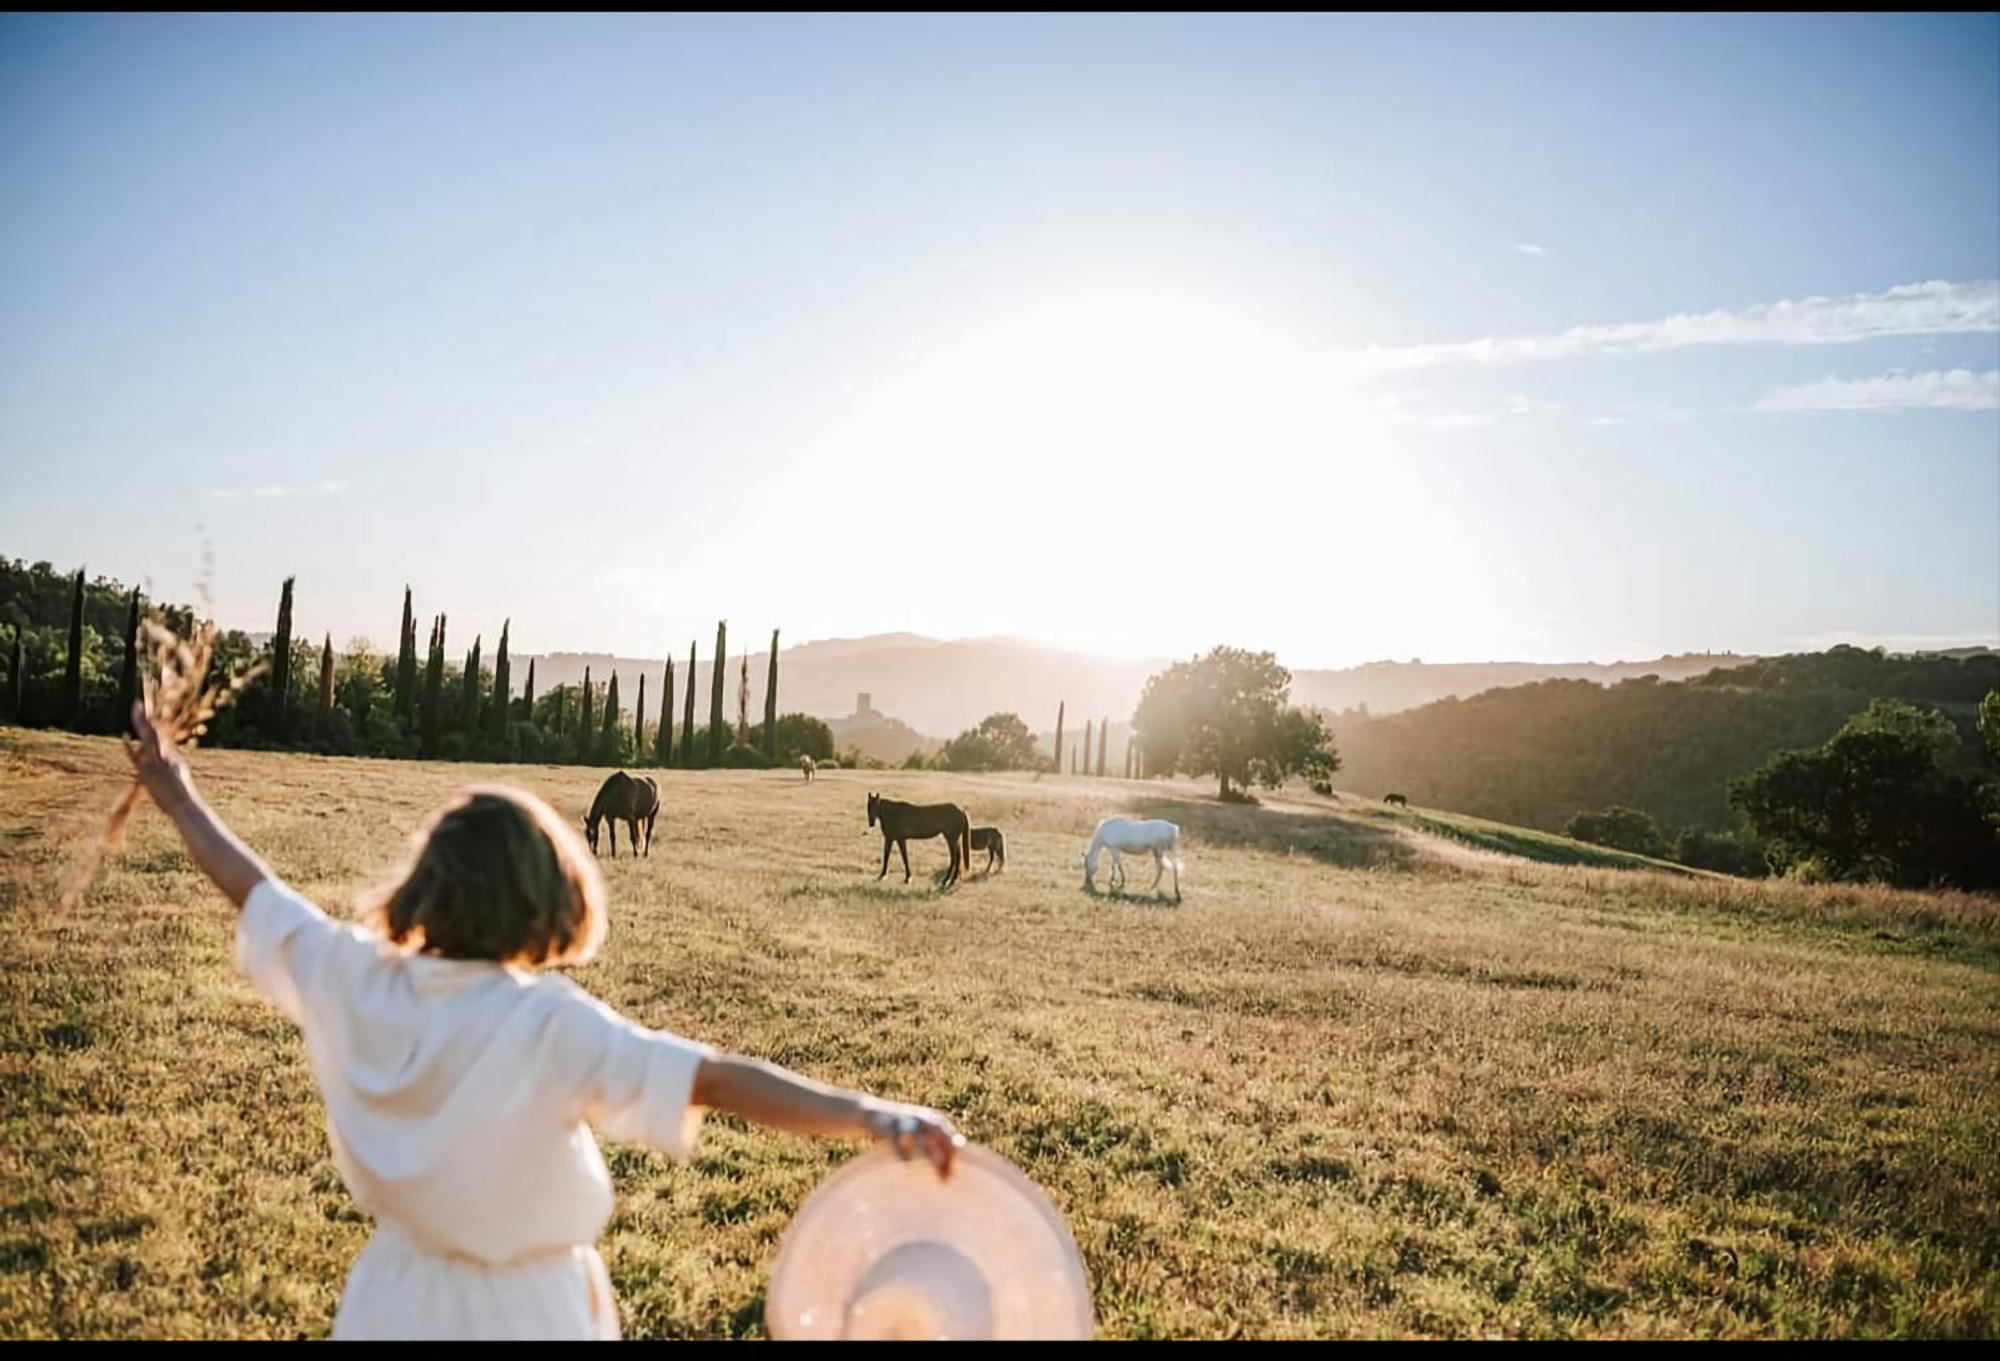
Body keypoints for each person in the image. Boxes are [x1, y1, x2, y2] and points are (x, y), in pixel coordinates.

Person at [121, 702, 962, 1340]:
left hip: (390, 1302)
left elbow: (254, 886)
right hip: (534, 1314)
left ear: (428, 884)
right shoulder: (550, 1022)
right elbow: (714, 1077)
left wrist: (176, 790)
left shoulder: (353, 976)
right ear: (545, 897)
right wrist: (872, 1115)